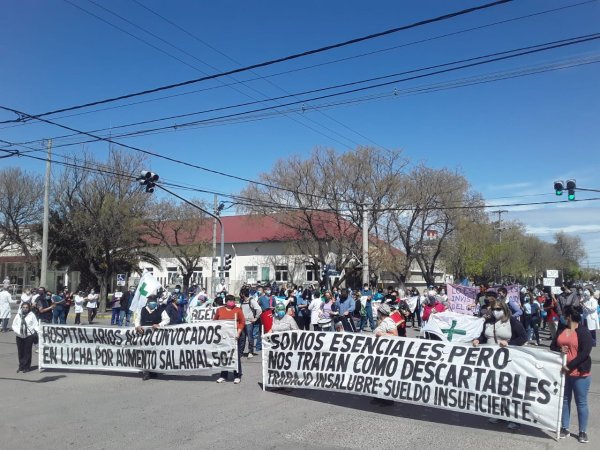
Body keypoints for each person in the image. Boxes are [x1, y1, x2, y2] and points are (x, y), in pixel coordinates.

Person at [473, 299, 527, 430]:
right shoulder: (489, 321)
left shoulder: (512, 321)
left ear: (504, 309)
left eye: (498, 309)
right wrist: (477, 340)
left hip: (508, 360)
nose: (496, 312)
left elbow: (523, 337)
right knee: (495, 387)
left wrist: (509, 343)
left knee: (508, 389)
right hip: (491, 360)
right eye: (494, 309)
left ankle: (514, 418)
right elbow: (484, 337)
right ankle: (498, 413)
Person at [551, 306, 592, 443]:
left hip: (580, 372)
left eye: (563, 315)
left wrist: (569, 366)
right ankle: (564, 427)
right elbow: (552, 346)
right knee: (564, 400)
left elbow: (585, 353)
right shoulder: (562, 329)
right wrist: (559, 348)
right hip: (563, 373)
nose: (561, 317)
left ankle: (582, 431)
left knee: (581, 402)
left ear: (569, 316)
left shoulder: (583, 331)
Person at [134, 295, 170, 380]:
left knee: (154, 353)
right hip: (143, 335)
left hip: (156, 336)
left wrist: (159, 325)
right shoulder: (142, 309)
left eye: (154, 300)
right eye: (150, 300)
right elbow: (137, 319)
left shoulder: (160, 310)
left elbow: (167, 319)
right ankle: (146, 372)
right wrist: (137, 326)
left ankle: (153, 371)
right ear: (147, 301)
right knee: (145, 353)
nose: (152, 302)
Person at [215, 294, 245, 384]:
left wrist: (238, 333)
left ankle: (237, 375)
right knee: (224, 355)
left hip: (235, 336)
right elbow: (215, 321)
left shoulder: (238, 310)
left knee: (235, 356)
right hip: (224, 337)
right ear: (226, 302)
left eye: (233, 301)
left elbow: (242, 322)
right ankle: (223, 375)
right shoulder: (220, 310)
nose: (232, 302)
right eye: (230, 301)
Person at [12, 301, 39, 373]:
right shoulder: (18, 315)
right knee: (20, 352)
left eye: (27, 307)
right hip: (19, 335)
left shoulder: (32, 315)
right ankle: (21, 366)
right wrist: (18, 331)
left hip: (29, 336)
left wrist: (38, 331)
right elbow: (14, 325)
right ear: (21, 308)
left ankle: (27, 367)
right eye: (23, 307)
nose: (25, 309)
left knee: (27, 351)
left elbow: (36, 324)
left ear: (29, 308)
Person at [239, 288, 261, 358]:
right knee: (242, 338)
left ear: (243, 294)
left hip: (249, 322)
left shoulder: (251, 301)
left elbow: (259, 309)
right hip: (242, 322)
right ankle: (241, 353)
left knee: (250, 338)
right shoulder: (242, 301)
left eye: (241, 293)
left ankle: (250, 352)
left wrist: (256, 318)